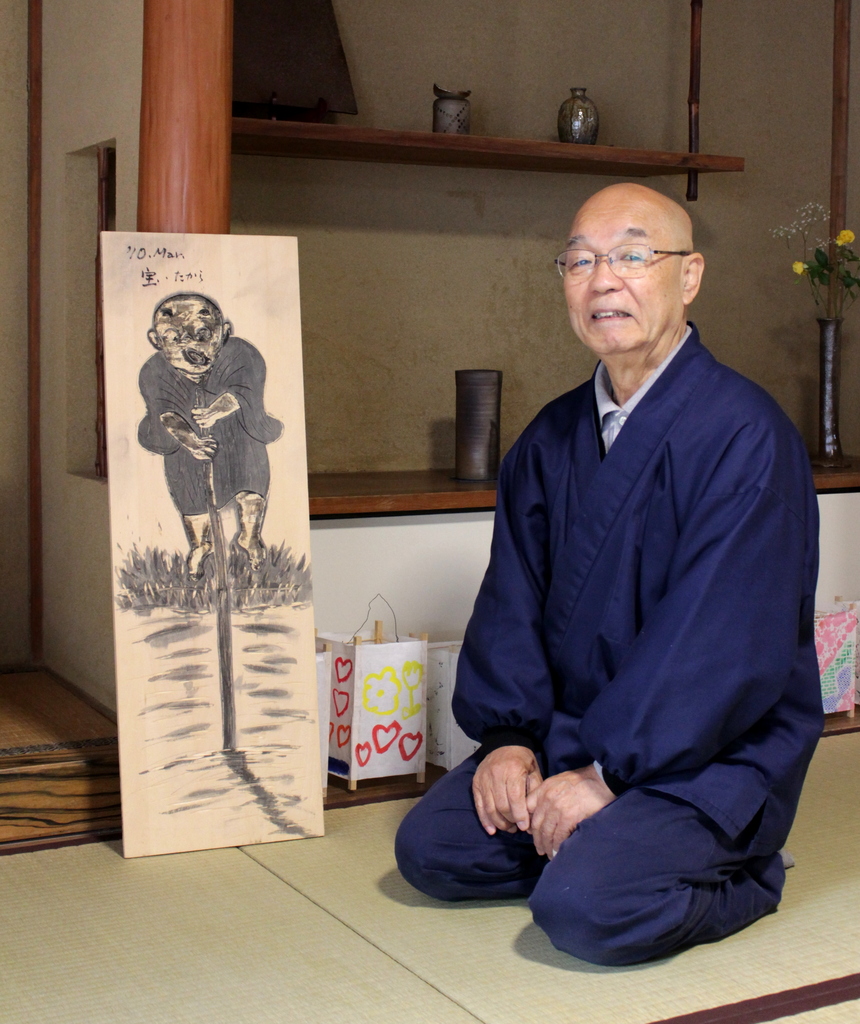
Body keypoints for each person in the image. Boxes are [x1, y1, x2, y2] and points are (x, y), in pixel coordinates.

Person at [395, 183, 822, 966]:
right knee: (433, 847)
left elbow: (718, 650)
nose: (603, 280)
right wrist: (511, 743)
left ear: (687, 277)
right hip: (571, 742)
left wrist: (607, 776)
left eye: (632, 255)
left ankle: (747, 873)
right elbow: (512, 602)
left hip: (706, 760)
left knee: (585, 909)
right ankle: (595, 841)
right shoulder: (549, 439)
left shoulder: (745, 438)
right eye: (580, 260)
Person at [138, 293, 283, 578]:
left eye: (202, 335)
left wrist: (219, 409)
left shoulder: (241, 352)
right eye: (174, 338)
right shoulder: (154, 370)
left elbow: (245, 389)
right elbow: (164, 414)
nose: (190, 346)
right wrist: (191, 441)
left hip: (236, 432)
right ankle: (200, 544)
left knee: (251, 479)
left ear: (224, 332)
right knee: (187, 484)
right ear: (156, 340)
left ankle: (250, 536)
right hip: (186, 442)